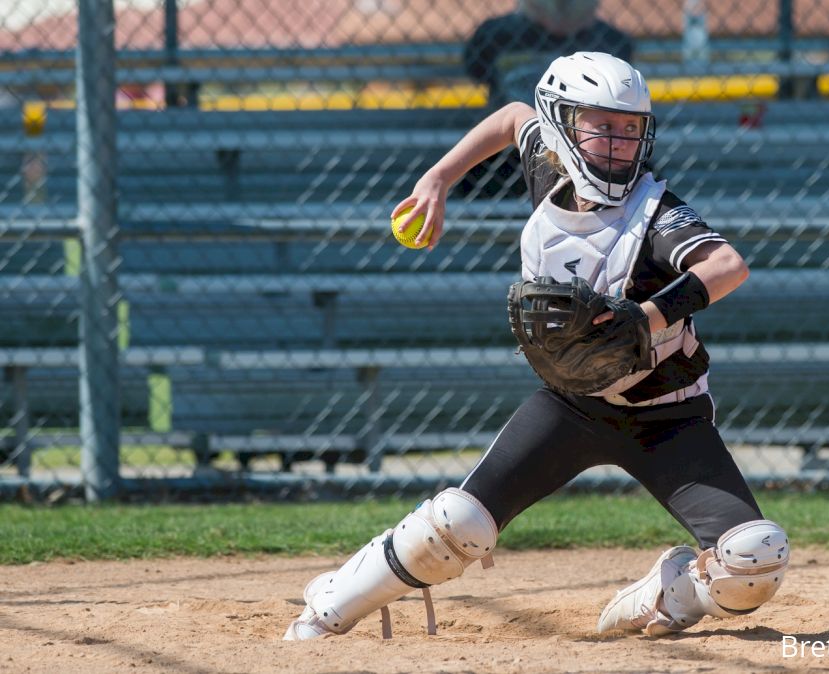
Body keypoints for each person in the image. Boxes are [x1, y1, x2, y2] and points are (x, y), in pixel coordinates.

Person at [284, 52, 790, 642]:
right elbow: (510, 117)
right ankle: (328, 604)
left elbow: (728, 266)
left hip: (668, 418)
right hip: (569, 410)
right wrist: (438, 178)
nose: (616, 142)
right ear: (562, 127)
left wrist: (646, 318)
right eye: (598, 124)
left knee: (754, 559)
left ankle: (666, 590)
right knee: (456, 523)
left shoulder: (655, 213)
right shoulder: (551, 173)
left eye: (630, 128)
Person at [457, 0, 633, 200]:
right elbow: (478, 72)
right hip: (511, 149)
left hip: (587, 149)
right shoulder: (496, 34)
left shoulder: (610, 40)